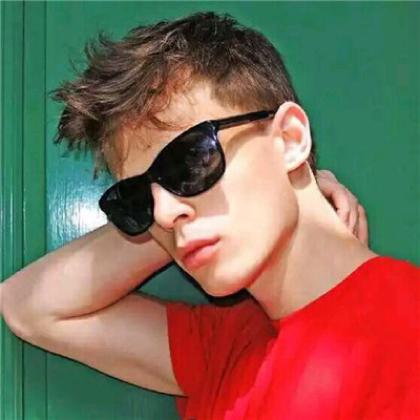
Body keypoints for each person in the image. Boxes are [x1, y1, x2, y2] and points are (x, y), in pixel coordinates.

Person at [1, 11, 418, 420]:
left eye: (190, 162)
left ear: (290, 138)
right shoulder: (224, 348)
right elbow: (27, 305)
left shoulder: (405, 329)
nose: (164, 215)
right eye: (137, 199)